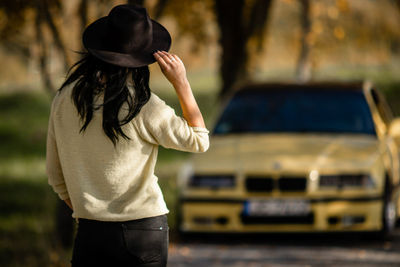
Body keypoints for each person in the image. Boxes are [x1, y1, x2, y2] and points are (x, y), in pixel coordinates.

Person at [45, 4, 209, 267]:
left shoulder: (64, 98)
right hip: (143, 232)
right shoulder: (143, 105)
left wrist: (90, 211)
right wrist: (181, 83)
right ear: (144, 58)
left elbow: (56, 176)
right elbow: (200, 140)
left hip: (90, 233)